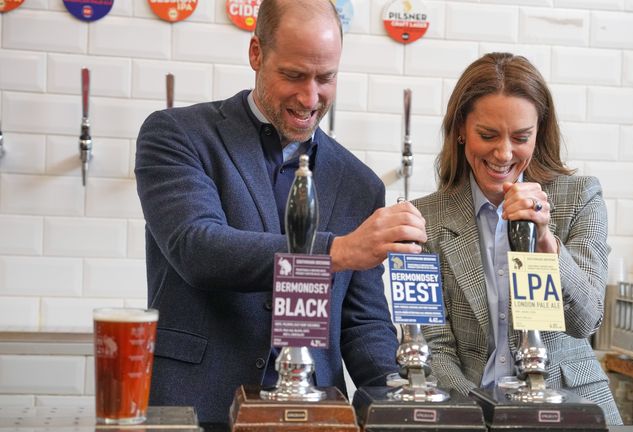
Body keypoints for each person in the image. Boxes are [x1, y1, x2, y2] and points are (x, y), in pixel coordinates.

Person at [134, 0, 426, 424]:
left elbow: (362, 325)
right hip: (195, 407)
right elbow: (198, 249)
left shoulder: (360, 183)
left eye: (325, 78)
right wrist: (338, 252)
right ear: (256, 53)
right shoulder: (178, 136)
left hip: (316, 415)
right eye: (293, 75)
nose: (310, 97)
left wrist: (399, 400)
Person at [413, 52, 622, 425]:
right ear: (461, 129)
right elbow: (436, 348)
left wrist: (545, 241)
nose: (504, 153)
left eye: (521, 137)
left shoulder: (580, 198)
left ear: (539, 132)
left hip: (571, 410)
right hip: (473, 410)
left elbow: (586, 321)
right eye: (488, 135)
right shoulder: (428, 219)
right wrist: (480, 416)